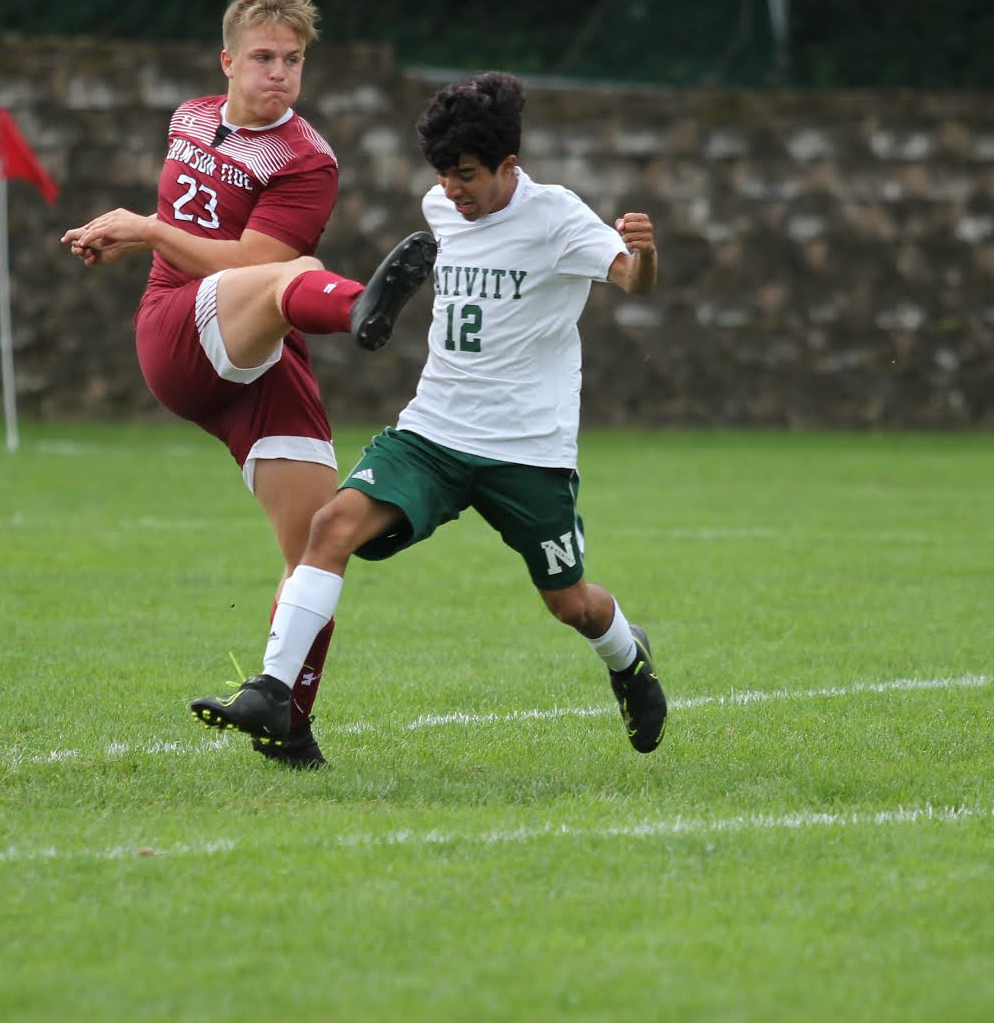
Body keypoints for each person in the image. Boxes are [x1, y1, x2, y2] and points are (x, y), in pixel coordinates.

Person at [189, 71, 669, 761]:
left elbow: (631, 279)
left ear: (511, 165)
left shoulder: (558, 215)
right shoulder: (441, 209)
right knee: (329, 527)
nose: (452, 190)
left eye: (468, 174)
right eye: (443, 174)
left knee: (571, 604)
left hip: (527, 451)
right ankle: (273, 690)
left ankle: (628, 660)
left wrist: (645, 252)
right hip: (433, 433)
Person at [60, 0, 434, 768]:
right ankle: (359, 304)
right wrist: (137, 233)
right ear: (227, 61)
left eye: (293, 60)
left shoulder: (307, 160)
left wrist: (144, 229)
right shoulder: (189, 117)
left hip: (260, 342)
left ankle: (288, 724)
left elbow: (253, 264)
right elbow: (238, 261)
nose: (280, 73)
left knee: (320, 545)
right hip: (178, 334)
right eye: (263, 57)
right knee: (295, 275)